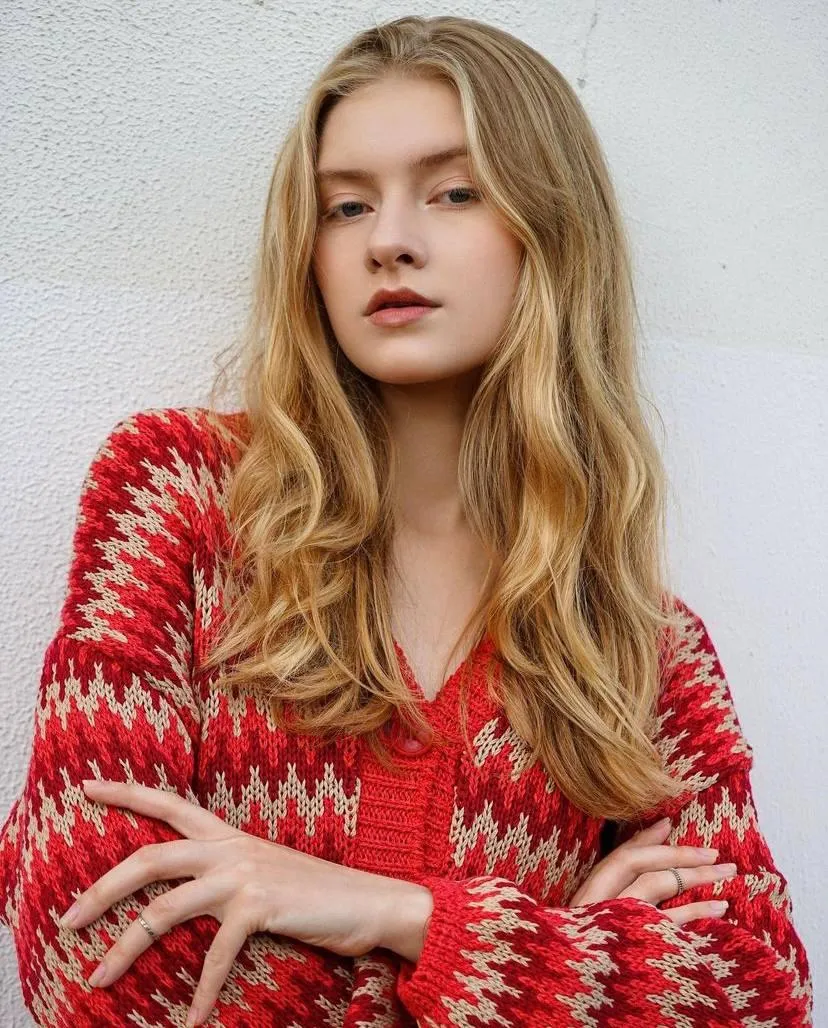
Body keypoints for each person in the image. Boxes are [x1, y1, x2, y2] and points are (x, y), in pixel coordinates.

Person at [0, 14, 812, 1027]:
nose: (388, 238)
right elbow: (90, 957)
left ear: (552, 234)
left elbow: (755, 992)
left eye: (453, 190)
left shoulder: (639, 647)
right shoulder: (177, 499)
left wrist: (405, 912)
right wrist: (556, 956)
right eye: (344, 206)